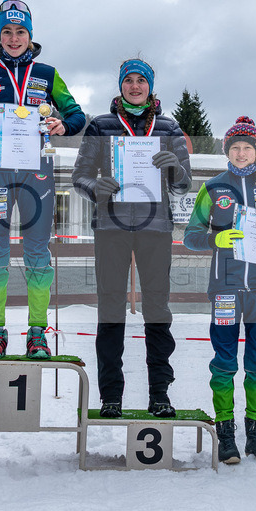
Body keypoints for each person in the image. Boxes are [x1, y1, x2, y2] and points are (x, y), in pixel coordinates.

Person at [0, 0, 85, 359]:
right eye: (7, 32)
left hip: (37, 175)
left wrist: (61, 124)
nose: (14, 38)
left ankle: (37, 331)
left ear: (30, 34)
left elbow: (76, 114)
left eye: (20, 31)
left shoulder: (48, 74)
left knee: (38, 254)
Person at [72, 59, 191, 418]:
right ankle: (111, 396)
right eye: (129, 81)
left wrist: (175, 167)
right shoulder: (100, 126)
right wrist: (97, 188)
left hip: (155, 228)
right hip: (111, 228)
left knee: (157, 310)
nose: (135, 87)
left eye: (142, 81)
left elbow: (184, 185)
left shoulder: (169, 127)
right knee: (110, 310)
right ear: (121, 85)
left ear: (151, 87)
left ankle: (160, 395)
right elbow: (79, 176)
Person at [183, 116, 256, 464]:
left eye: (247, 147)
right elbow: (190, 236)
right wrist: (215, 238)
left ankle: (255, 435)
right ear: (226, 152)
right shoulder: (213, 187)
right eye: (235, 148)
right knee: (225, 362)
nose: (241, 153)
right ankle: (226, 432)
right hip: (226, 287)